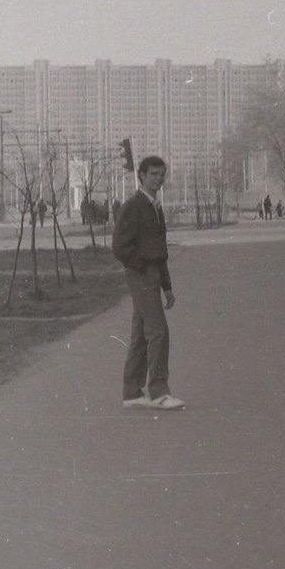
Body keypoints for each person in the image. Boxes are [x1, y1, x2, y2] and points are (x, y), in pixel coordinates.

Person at [112, 155, 184, 411]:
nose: (158, 179)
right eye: (153, 174)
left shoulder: (156, 207)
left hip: (152, 273)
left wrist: (167, 285)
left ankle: (132, 392)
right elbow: (120, 247)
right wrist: (143, 267)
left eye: (162, 174)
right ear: (141, 175)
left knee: (141, 335)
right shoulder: (133, 206)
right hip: (140, 274)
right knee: (158, 332)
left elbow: (160, 249)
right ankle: (159, 392)